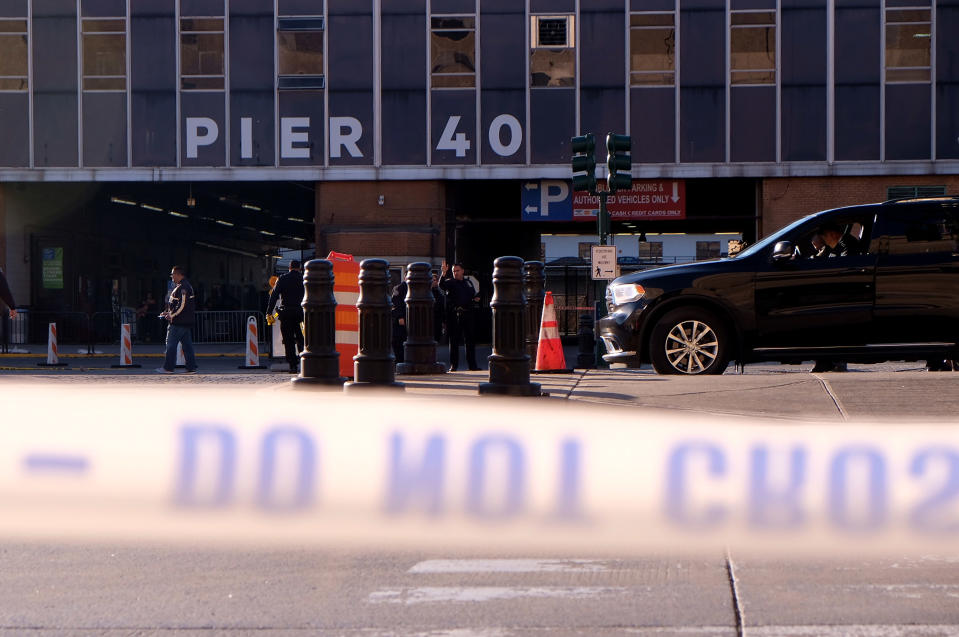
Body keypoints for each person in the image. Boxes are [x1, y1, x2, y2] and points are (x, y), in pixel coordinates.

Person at [157, 265, 198, 374]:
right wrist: (168, 312)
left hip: (178, 322)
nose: (171, 276)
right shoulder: (183, 286)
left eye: (173, 274)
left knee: (170, 344)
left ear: (179, 275)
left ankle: (168, 367)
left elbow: (182, 305)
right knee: (187, 345)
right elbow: (179, 305)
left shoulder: (183, 287)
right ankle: (191, 367)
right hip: (184, 321)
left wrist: (171, 315)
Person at [440, 261, 480, 371]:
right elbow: (441, 285)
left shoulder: (468, 282)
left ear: (462, 271)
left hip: (468, 314)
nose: (455, 273)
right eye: (453, 271)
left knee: (470, 340)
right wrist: (443, 273)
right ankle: (454, 366)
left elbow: (473, 293)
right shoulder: (450, 282)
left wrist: (476, 298)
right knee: (454, 341)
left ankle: (472, 365)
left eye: (457, 271)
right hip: (455, 315)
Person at [266, 260, 305, 373]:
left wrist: (269, 312)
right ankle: (304, 363)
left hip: (286, 314)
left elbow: (274, 296)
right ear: (300, 268)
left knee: (288, 340)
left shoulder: (282, 279)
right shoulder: (304, 278)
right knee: (301, 338)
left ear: (289, 267)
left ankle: (292, 365)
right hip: (300, 314)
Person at [391, 275, 408, 363]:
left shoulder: (414, 287)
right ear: (405, 277)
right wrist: (400, 317)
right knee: (398, 343)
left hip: (408, 320)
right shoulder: (399, 288)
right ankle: (399, 362)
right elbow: (395, 304)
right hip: (400, 321)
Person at [431, 272, 445, 345]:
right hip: (429, 320)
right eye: (433, 280)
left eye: (436, 280)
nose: (434, 281)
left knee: (437, 340)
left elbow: (442, 308)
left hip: (438, 320)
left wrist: (443, 321)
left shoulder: (440, 293)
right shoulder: (427, 292)